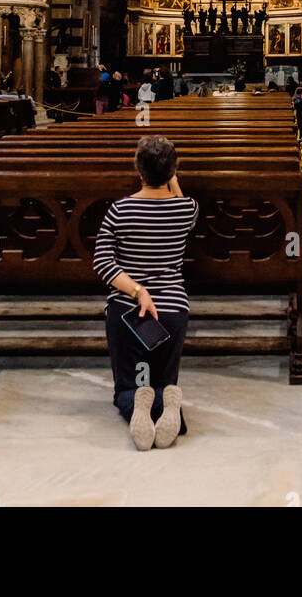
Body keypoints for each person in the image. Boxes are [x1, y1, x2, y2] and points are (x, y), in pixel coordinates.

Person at [93, 135, 199, 450]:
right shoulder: (186, 210)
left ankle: (137, 406)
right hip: (173, 311)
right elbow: (180, 199)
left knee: (126, 386)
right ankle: (169, 408)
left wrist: (139, 290)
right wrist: (171, 176)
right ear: (171, 173)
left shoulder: (119, 210)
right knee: (165, 382)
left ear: (139, 171)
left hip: (127, 312)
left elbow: (101, 262)